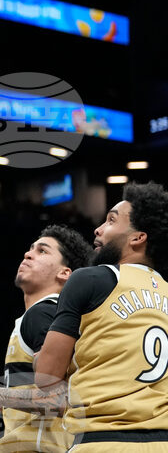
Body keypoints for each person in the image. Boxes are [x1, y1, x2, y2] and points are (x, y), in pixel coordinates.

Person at [30, 182, 168, 452]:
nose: (98, 229)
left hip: (102, 439)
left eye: (111, 221)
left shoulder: (89, 279)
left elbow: (46, 378)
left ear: (137, 237)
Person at [0, 225, 91, 452]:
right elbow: (33, 406)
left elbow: (60, 400)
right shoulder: (41, 316)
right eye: (30, 249)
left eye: (42, 251)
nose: (28, 254)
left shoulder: (43, 314)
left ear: (64, 273)